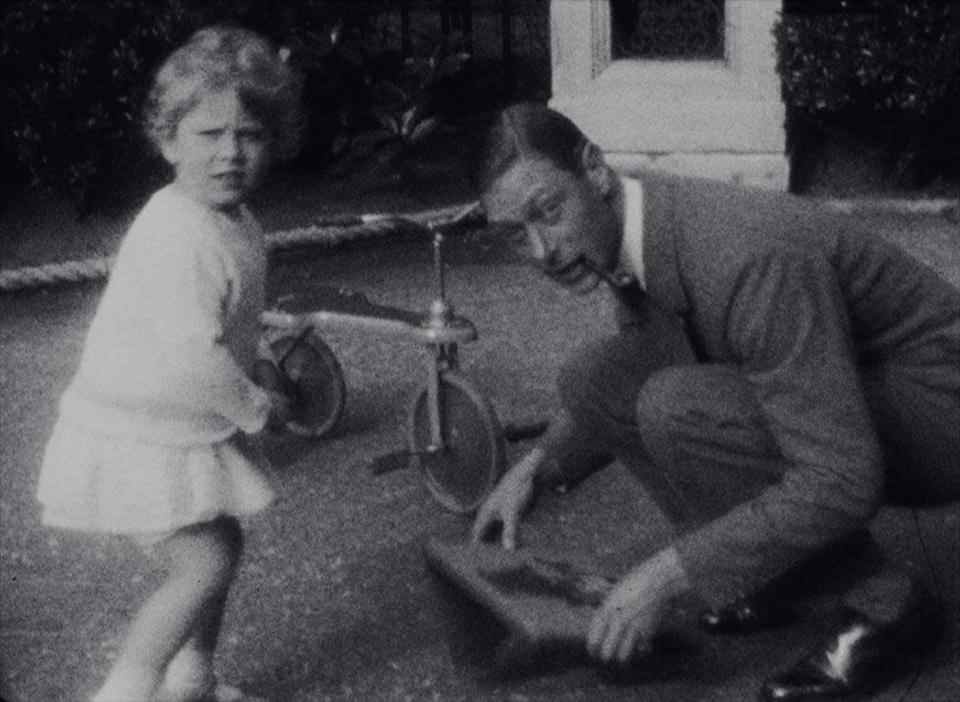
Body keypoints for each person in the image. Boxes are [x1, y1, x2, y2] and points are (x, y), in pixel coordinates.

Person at [470, 103, 959, 701]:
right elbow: (654, 348)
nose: (541, 251)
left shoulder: (743, 258)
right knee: (595, 380)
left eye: (549, 211)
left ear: (593, 170)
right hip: (871, 378)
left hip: (941, 408)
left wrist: (671, 573)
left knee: (679, 409)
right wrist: (539, 464)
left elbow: (843, 476)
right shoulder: (633, 222)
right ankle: (772, 581)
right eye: (515, 233)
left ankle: (891, 610)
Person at [36, 26, 303, 702]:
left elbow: (239, 319)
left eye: (250, 136)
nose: (230, 154)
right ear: (167, 141)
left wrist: (264, 361)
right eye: (209, 135)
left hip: (175, 424)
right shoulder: (177, 233)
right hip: (134, 432)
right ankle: (125, 691)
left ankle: (192, 679)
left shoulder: (235, 222)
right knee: (202, 563)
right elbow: (192, 355)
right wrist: (257, 407)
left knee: (221, 548)